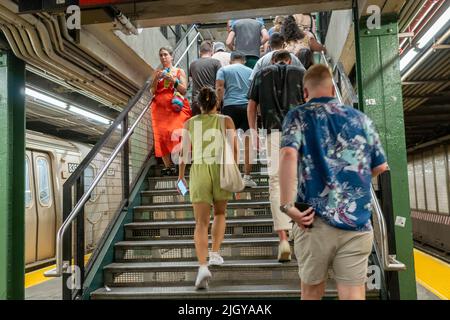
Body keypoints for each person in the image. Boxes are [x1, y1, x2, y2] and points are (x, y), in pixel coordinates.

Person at [278, 64, 389, 300]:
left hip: (313, 222)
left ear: (304, 92)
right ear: (332, 87)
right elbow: (380, 167)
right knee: (353, 294)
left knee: (312, 292)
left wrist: (287, 206)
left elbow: (288, 155)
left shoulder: (298, 115)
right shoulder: (361, 119)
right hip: (358, 224)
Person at [247, 50, 305, 262]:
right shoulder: (301, 72)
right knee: (297, 182)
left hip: (272, 132)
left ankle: (282, 238)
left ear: (272, 60)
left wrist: (253, 132)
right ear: (289, 60)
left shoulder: (262, 74)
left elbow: (251, 106)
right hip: (298, 132)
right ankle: (299, 236)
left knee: (275, 182)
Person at [178, 87, 238, 290]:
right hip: (221, 168)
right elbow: (234, 149)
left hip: (199, 170)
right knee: (220, 213)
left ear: (198, 105)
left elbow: (184, 154)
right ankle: (215, 253)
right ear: (216, 103)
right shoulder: (226, 120)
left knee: (200, 223)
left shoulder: (188, 123)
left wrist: (180, 177)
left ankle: (202, 265)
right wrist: (235, 173)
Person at [216, 51, 256, 187]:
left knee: (228, 143)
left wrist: (217, 106)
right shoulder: (251, 70)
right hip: (247, 107)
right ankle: (247, 177)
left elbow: (220, 88)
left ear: (231, 60)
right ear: (244, 60)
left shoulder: (223, 69)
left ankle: (231, 176)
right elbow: (254, 91)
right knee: (248, 143)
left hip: (229, 108)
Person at [151, 46, 192, 175]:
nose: (163, 57)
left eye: (165, 55)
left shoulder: (180, 71)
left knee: (178, 134)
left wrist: (173, 81)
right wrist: (157, 79)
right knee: (161, 136)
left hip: (175, 107)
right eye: (161, 55)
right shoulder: (157, 73)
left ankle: (182, 165)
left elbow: (184, 90)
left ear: (171, 56)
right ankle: (168, 166)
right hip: (159, 109)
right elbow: (152, 91)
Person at [189, 41, 222, 116]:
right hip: (211, 102)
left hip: (197, 102)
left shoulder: (193, 64)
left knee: (198, 126)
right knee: (212, 126)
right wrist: (219, 103)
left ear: (200, 52)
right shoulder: (216, 63)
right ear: (212, 51)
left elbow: (192, 80)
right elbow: (220, 84)